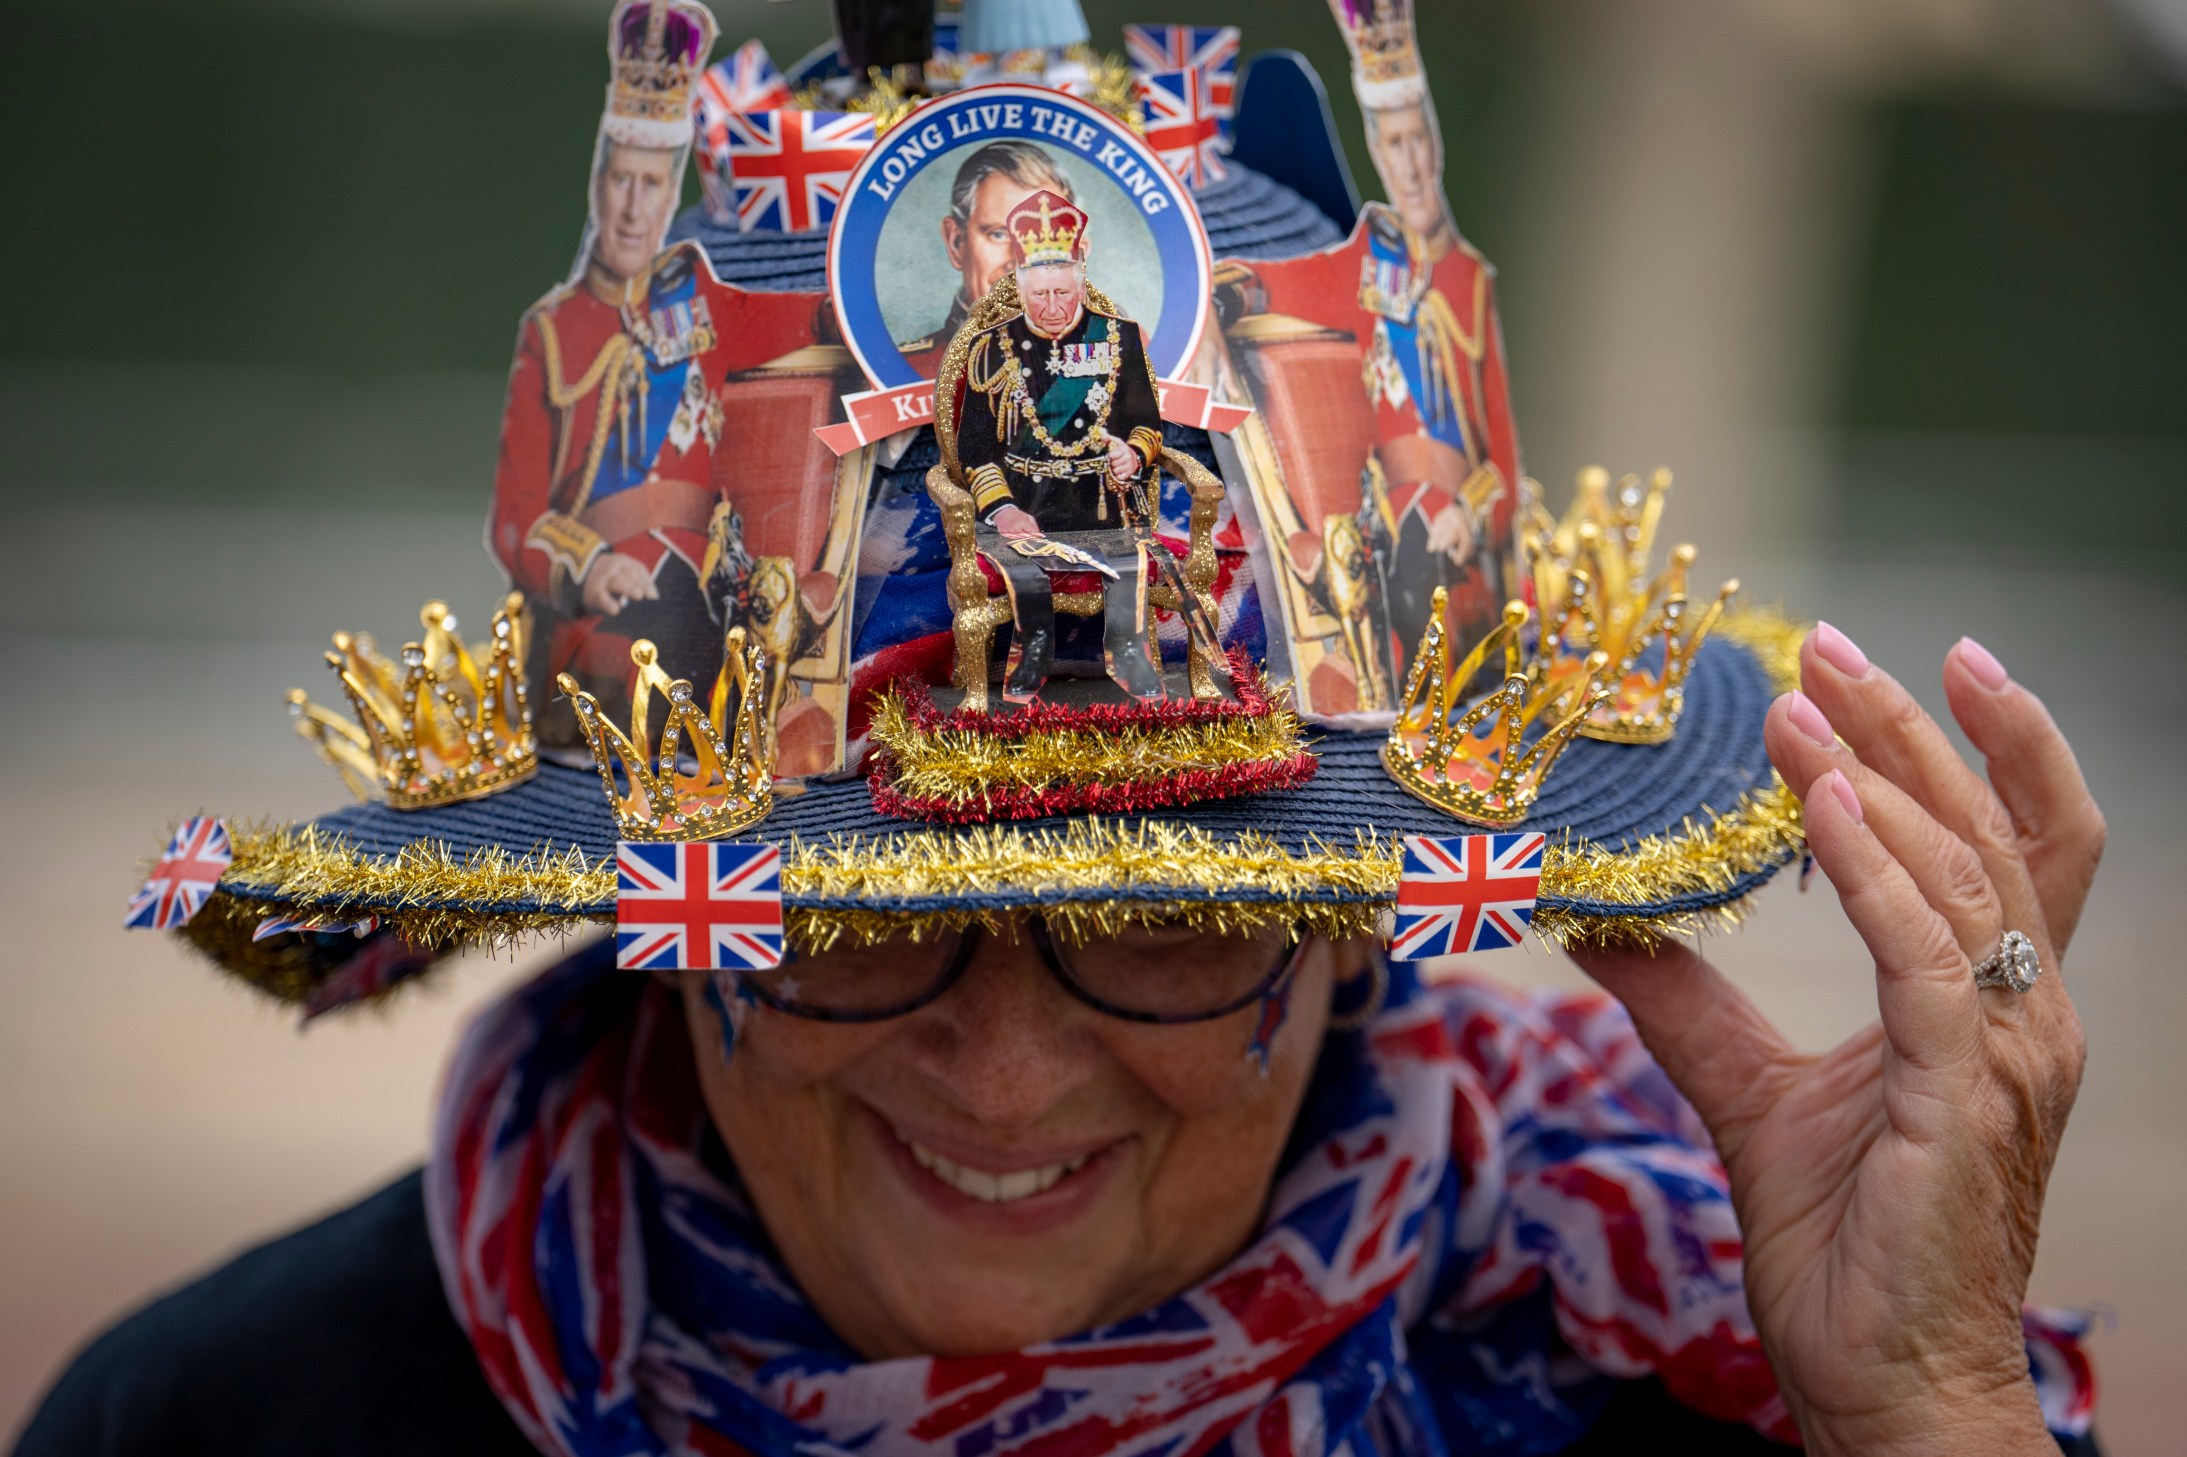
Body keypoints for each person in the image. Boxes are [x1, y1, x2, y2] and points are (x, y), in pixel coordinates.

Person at [19, 628, 2104, 1455]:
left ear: (1349, 940)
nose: (1006, 1071)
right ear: (668, 932)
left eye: (1162, 917)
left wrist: (1925, 1400)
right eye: (854, 917)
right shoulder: (232, 1426)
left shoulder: (1677, 1400)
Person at [484, 4, 825, 739]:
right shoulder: (550, 331)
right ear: (597, 188)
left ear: (672, 197)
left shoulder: (703, 295)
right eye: (620, 183)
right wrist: (587, 566)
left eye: (651, 185)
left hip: (704, 594)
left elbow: (814, 322)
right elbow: (515, 519)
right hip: (598, 615)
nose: (634, 208)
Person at [950, 188, 1166, 700]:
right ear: (1020, 290)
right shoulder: (990, 347)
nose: (1051, 308)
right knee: (1024, 573)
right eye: (1039, 296)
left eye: (1063, 294)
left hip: (1101, 504)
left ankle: (1129, 652)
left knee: (1130, 561)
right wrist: (1001, 510)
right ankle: (1033, 651)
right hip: (1024, 504)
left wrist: (1133, 454)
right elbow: (974, 448)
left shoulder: (1121, 338)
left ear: (1081, 285)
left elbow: (1148, 423)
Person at [896, 140, 1078, 379]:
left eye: (1044, 239)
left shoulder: (1119, 349)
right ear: (956, 242)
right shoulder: (912, 368)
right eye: (999, 234)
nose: (1019, 261)